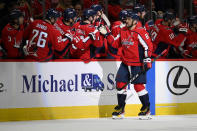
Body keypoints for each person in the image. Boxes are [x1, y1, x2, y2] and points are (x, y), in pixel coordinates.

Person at [99, 10, 153, 119]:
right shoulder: (122, 30)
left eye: (128, 19)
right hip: (125, 63)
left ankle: (146, 109)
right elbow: (114, 44)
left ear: (134, 21)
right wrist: (108, 35)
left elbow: (148, 46)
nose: (126, 21)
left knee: (138, 86)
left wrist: (147, 59)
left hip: (137, 64)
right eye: (126, 19)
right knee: (120, 85)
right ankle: (120, 109)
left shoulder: (140, 31)